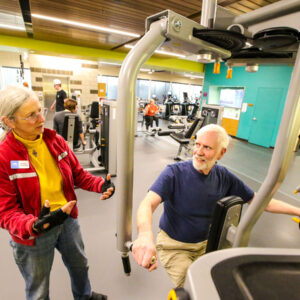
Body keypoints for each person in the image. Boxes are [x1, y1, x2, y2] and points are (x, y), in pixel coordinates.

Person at [132, 124, 300, 288]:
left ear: (221, 153)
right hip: (174, 247)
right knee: (192, 288)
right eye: (197, 144)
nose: (198, 152)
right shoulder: (173, 173)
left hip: (206, 245)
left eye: (207, 147)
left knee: (216, 284)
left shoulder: (223, 176)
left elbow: (259, 201)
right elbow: (147, 203)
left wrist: (297, 211)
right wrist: (145, 235)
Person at [0, 85, 115, 300]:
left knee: (80, 265)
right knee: (38, 286)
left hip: (67, 219)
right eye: (31, 116)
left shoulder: (55, 141)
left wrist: (100, 185)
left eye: (40, 111)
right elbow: (5, 212)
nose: (41, 119)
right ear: (9, 121)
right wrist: (32, 225)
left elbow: (78, 175)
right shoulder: (4, 157)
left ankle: (85, 296)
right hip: (34, 231)